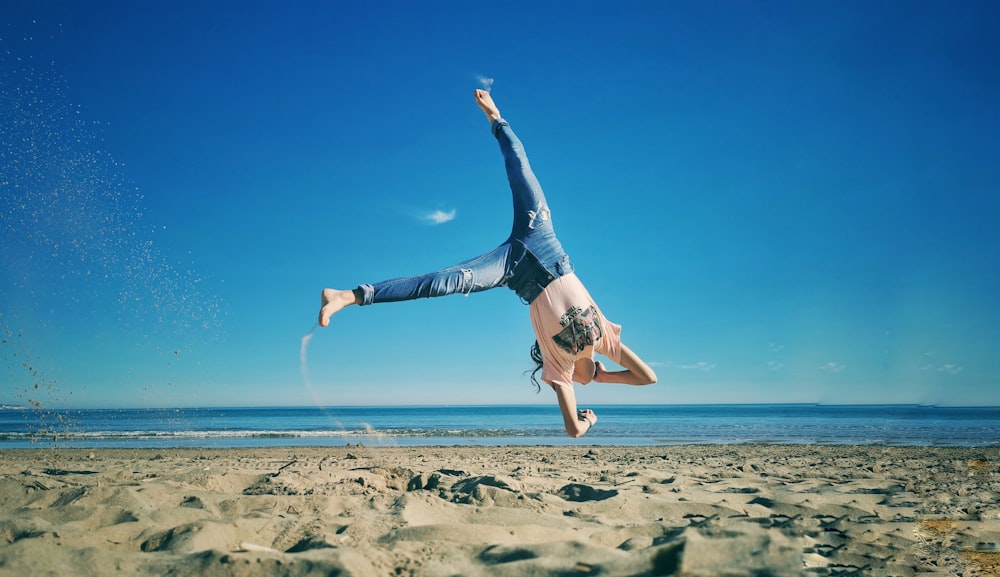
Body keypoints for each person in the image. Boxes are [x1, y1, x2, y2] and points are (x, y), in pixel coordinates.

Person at [318, 89, 656, 437]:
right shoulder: (604, 341)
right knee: (519, 167)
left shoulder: (559, 367)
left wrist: (589, 417)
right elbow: (648, 377)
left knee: (440, 283)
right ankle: (496, 117)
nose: (587, 378)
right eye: (592, 374)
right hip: (543, 238)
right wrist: (602, 374)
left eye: (588, 377)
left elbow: (573, 429)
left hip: (513, 270)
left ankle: (349, 296)